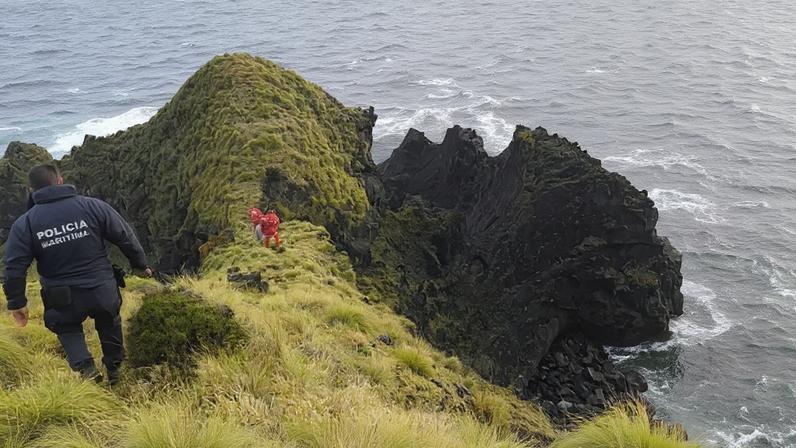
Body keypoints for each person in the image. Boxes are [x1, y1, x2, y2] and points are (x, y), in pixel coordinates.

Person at [2, 164, 152, 384]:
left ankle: (88, 373)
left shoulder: (25, 223)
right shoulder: (93, 207)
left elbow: (14, 265)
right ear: (60, 181)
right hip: (101, 287)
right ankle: (115, 369)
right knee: (109, 322)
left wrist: (17, 302)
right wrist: (140, 265)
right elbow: (124, 236)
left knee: (67, 328)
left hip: (61, 296)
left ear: (31, 190)